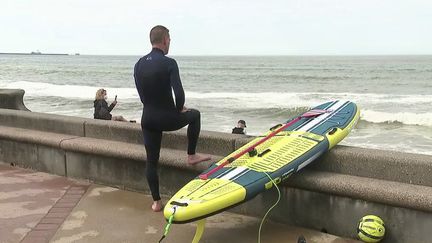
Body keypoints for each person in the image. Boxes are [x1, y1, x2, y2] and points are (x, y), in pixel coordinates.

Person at [134, 25, 211, 212]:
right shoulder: (169, 63)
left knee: (151, 161)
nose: (170, 43)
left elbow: (142, 96)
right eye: (169, 40)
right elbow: (179, 94)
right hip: (167, 118)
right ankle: (191, 156)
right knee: (195, 115)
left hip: (148, 118)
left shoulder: (138, 64)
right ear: (165, 40)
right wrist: (179, 109)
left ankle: (156, 202)